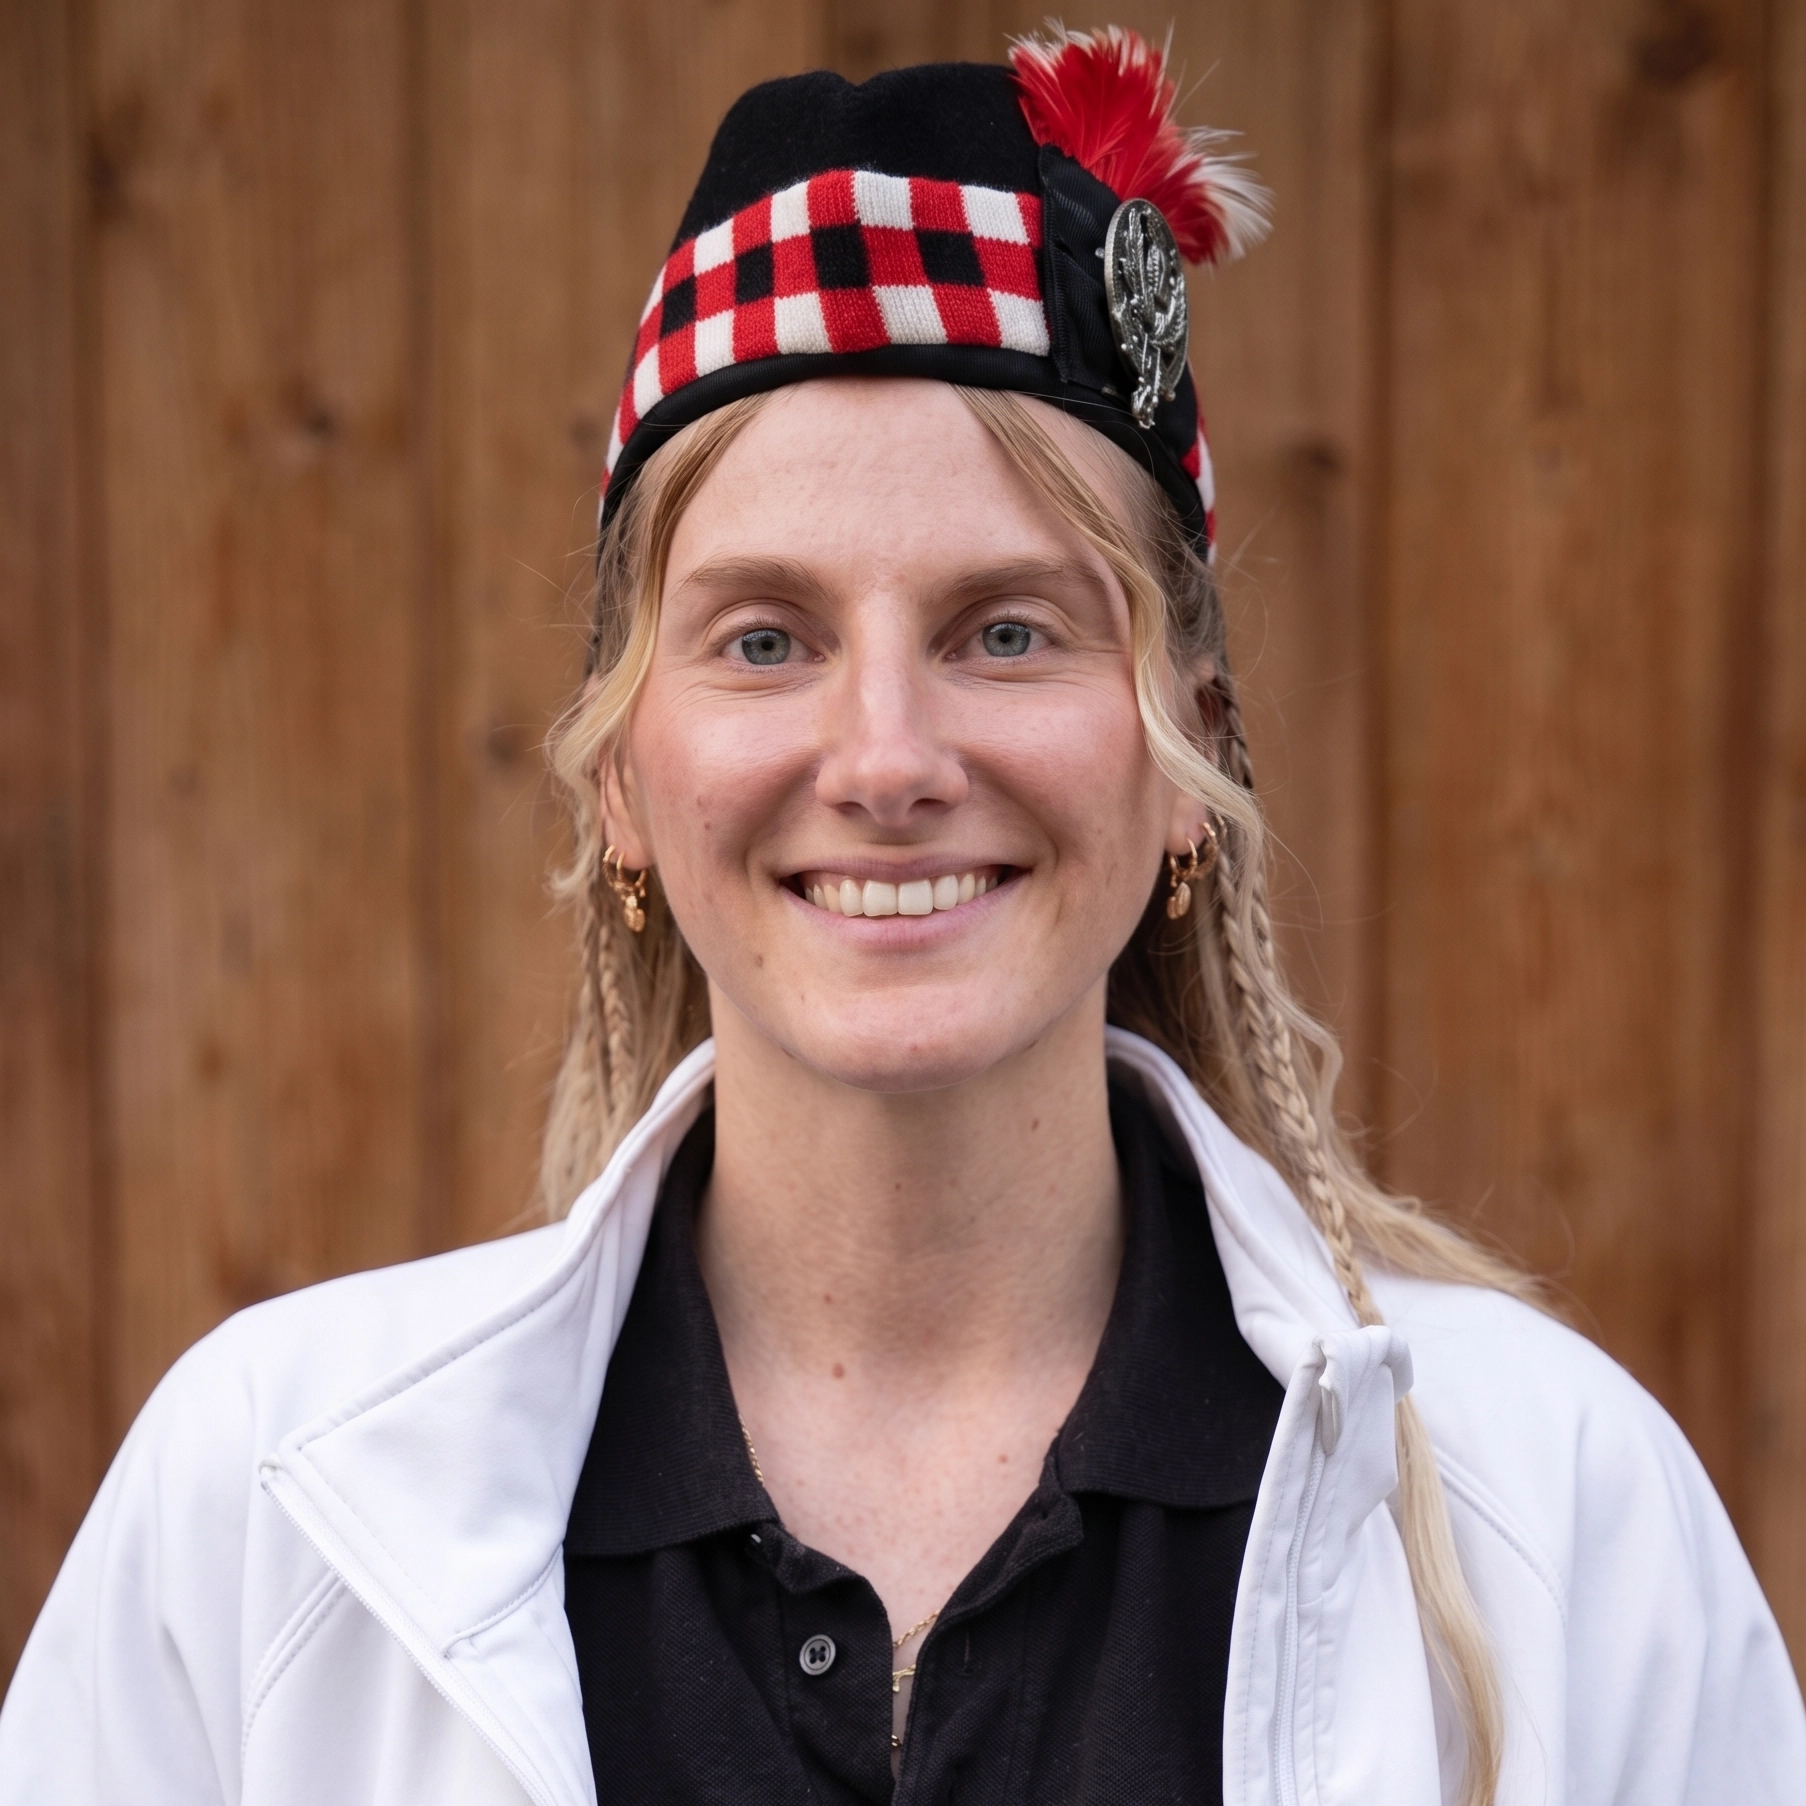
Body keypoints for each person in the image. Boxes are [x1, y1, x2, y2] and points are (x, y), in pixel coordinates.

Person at [2, 27, 1800, 1806]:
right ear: (622, 775)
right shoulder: (269, 1511)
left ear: (1188, 755)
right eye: (763, 638)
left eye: (1006, 631)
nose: (884, 758)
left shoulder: (1549, 1515)